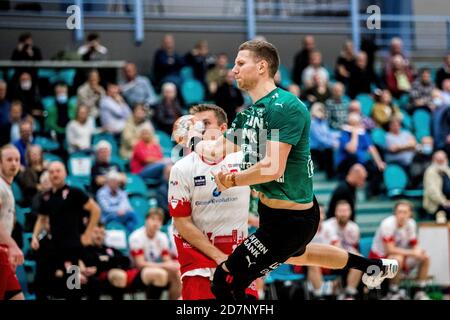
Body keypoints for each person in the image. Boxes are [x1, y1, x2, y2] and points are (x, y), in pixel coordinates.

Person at [195, 40, 398, 300]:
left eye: (240, 63)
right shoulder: (249, 114)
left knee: (225, 280)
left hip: (292, 222)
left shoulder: (287, 107)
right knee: (302, 254)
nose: (233, 70)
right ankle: (373, 266)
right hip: (271, 215)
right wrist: (194, 141)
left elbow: (271, 167)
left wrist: (232, 180)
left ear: (261, 67)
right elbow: (220, 147)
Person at [168, 105, 257, 300]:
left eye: (205, 124)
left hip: (238, 260)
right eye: (195, 124)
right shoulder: (181, 168)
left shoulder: (245, 160)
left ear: (223, 129)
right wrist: (218, 257)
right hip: (199, 263)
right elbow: (182, 222)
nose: (198, 129)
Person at [31, 161, 101, 300]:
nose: (54, 174)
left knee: (73, 286)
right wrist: (34, 236)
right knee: (41, 282)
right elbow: (41, 218)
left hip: (71, 248)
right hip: (53, 247)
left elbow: (96, 210)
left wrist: (88, 234)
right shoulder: (46, 196)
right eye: (51, 172)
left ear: (65, 173)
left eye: (58, 171)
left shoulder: (75, 193)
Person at [81, 222, 168, 300]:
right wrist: (110, 262)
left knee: (160, 274)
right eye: (96, 233)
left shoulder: (110, 249)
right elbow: (92, 263)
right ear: (89, 233)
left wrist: (105, 262)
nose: (99, 236)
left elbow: (126, 261)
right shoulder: (86, 249)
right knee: (119, 275)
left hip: (127, 274)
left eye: (102, 233)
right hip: (103, 280)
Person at [369, 200, 431, 300]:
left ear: (410, 213)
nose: (402, 215)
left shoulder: (411, 223)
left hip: (401, 255)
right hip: (379, 257)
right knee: (397, 260)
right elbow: (390, 249)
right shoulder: (387, 224)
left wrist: (418, 252)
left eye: (405, 212)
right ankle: (394, 291)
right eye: (399, 212)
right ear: (395, 213)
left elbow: (414, 244)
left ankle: (420, 291)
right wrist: (413, 252)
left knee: (425, 257)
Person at [310, 201, 362, 300]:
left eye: (321, 213)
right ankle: (320, 295)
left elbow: (337, 246)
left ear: (324, 215)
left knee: (358, 258)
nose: (319, 216)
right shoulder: (307, 228)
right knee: (312, 263)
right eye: (317, 213)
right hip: (307, 260)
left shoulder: (329, 228)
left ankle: (349, 293)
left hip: (326, 259)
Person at [129, 208, 181, 299]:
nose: (156, 223)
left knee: (178, 274)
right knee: (160, 274)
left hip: (155, 267)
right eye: (153, 219)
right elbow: (140, 264)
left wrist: (173, 265)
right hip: (136, 271)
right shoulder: (136, 237)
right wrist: (166, 265)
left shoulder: (162, 237)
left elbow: (166, 260)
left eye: (159, 220)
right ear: (146, 220)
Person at [0, 145, 24, 300]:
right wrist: (13, 246)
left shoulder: (8, 187)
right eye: (9, 160)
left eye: (17, 160)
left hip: (3, 252)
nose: (14, 163)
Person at [423, 150, 450, 218]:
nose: (440, 161)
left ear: (446, 159)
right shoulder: (430, 172)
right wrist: (445, 202)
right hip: (436, 205)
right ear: (433, 160)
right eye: (438, 160)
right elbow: (432, 192)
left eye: (442, 159)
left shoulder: (448, 170)